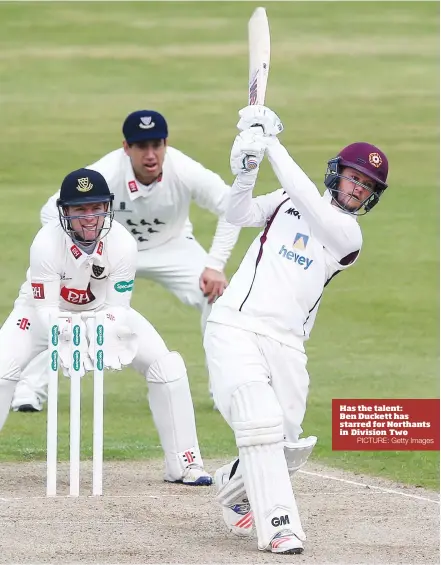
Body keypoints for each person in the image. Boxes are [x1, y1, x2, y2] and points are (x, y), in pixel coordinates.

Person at [203, 105, 389, 553]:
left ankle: (233, 486)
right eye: (353, 177)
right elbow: (238, 212)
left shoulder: (347, 235)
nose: (357, 189)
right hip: (235, 325)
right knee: (259, 422)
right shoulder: (285, 201)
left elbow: (306, 196)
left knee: (287, 447)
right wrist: (245, 169)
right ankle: (281, 527)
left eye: (366, 187)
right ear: (336, 174)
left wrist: (270, 144)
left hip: (288, 344)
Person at [11, 109, 240, 412]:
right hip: (107, 253)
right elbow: (49, 211)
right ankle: (29, 391)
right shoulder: (106, 172)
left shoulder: (183, 169)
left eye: (156, 145)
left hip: (171, 248)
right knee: (64, 303)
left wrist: (215, 264)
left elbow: (232, 206)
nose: (150, 154)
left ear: (165, 144)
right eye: (141, 146)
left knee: (220, 298)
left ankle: (223, 392)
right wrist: (77, 254)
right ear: (126, 148)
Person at [0, 168, 212, 486]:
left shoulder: (123, 244)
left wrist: (104, 334)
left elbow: (118, 309)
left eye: (97, 207)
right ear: (65, 212)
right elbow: (45, 311)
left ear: (107, 208)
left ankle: (184, 462)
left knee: (167, 367)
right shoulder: (45, 244)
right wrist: (69, 335)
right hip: (42, 313)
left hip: (102, 312)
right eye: (80, 210)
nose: (89, 217)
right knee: (3, 365)